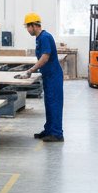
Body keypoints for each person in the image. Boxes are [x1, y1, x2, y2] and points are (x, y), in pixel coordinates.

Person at [20, 12, 64, 142]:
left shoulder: (45, 37)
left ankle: (57, 134)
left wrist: (31, 70)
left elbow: (45, 57)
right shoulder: (39, 38)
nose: (27, 30)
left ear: (34, 25)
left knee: (54, 104)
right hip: (48, 76)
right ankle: (49, 130)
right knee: (49, 104)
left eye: (28, 27)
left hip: (54, 76)